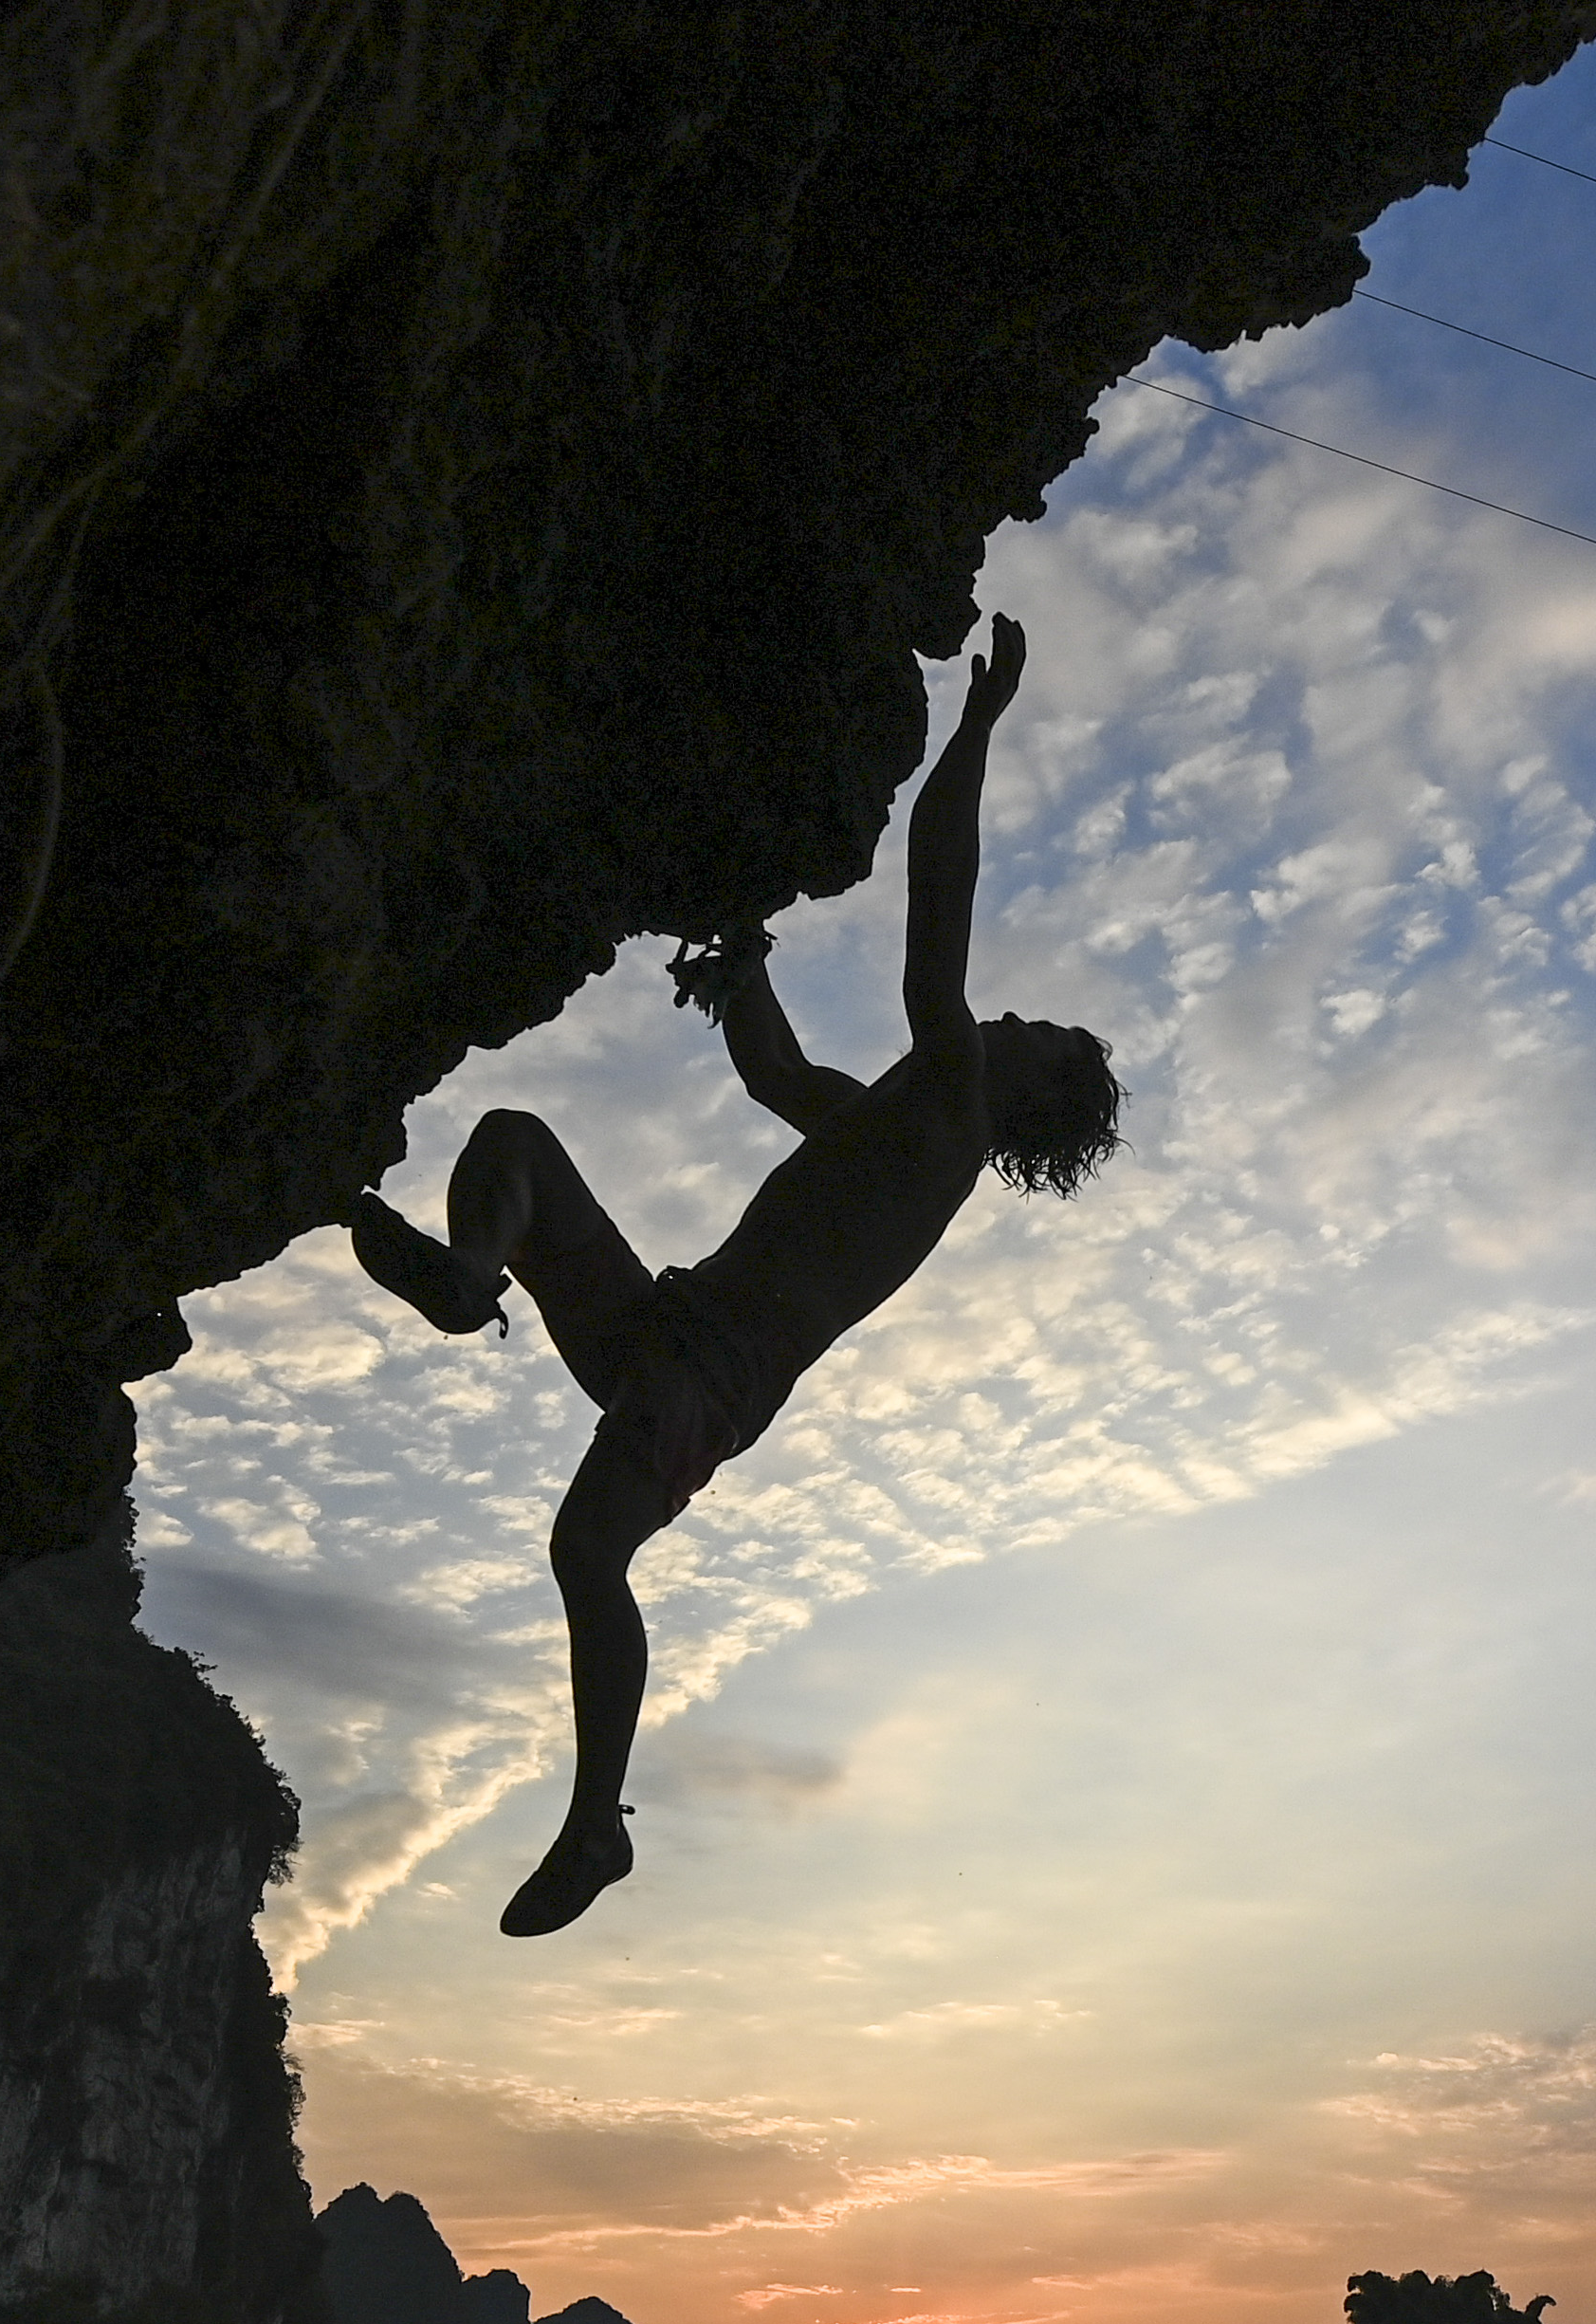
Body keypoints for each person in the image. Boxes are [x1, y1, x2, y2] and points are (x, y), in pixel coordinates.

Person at [343, 615, 1122, 1935]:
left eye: (1032, 1034)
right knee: (514, 1141)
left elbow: (940, 892)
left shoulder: (952, 1108)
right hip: (668, 1319)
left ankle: (598, 1826)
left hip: (712, 1378)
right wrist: (741, 968)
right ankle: (468, 1282)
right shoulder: (891, 1128)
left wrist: (979, 731)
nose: (1006, 1017)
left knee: (587, 1551)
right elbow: (775, 1074)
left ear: (1027, 1097)